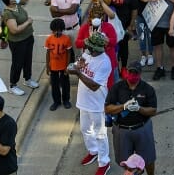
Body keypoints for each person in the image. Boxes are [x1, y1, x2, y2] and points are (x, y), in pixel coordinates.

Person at [105, 60, 158, 175]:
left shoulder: (147, 89)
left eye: (135, 73)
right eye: (130, 72)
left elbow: (153, 110)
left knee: (148, 159)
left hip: (142, 129)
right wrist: (123, 106)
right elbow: (107, 108)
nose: (132, 75)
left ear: (140, 74)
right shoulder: (117, 87)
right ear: (126, 72)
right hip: (122, 130)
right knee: (126, 162)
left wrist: (140, 109)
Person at [72, 32, 113, 174]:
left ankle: (104, 162)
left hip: (97, 104)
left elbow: (94, 86)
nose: (87, 47)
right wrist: (74, 67)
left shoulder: (105, 62)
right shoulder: (86, 54)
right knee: (85, 129)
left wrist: (78, 73)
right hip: (83, 101)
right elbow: (75, 66)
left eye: (89, 46)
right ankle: (93, 151)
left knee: (100, 134)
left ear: (97, 49)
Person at [0, 0, 41, 96]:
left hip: (28, 38)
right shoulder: (8, 14)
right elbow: (14, 30)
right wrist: (28, 22)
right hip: (18, 42)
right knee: (17, 63)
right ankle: (13, 85)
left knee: (28, 59)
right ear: (10, 1)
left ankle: (28, 79)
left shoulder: (17, 5)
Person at [45, 18, 73, 111]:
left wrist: (67, 66)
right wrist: (47, 66)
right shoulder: (49, 39)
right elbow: (48, 52)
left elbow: (69, 53)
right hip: (53, 66)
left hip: (63, 66)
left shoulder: (66, 39)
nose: (57, 32)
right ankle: (56, 101)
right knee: (54, 84)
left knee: (65, 84)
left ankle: (66, 100)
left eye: (59, 30)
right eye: (55, 30)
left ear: (62, 29)